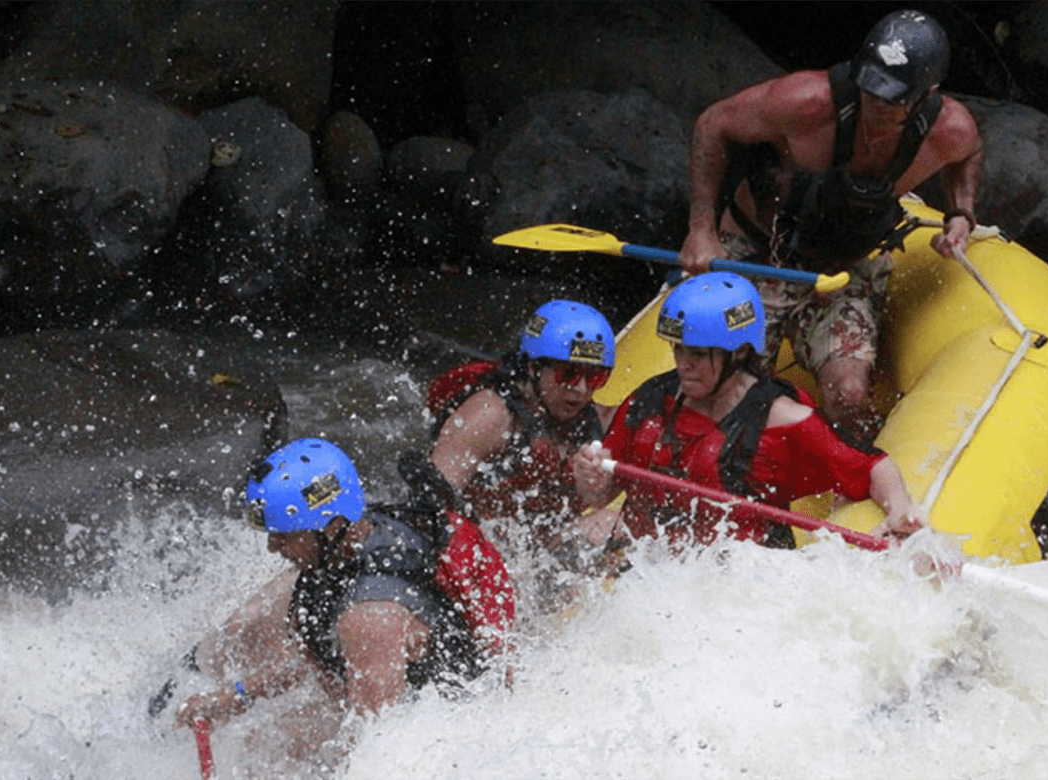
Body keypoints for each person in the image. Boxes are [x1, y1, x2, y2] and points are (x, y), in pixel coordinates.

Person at [678, 9, 983, 440]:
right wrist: (701, 229)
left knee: (850, 395)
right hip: (759, 254)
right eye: (870, 90)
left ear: (925, 94)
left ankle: (851, 484)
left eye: (892, 98)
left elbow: (969, 154)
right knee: (721, 391)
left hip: (841, 269)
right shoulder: (805, 102)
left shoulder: (949, 128)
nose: (877, 104)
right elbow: (712, 125)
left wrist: (960, 211)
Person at [170, 438, 514, 761]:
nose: (272, 547)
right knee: (265, 743)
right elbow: (315, 654)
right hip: (394, 694)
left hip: (450, 731)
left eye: (285, 535)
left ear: (331, 527)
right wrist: (235, 698)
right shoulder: (353, 541)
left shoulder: (370, 616)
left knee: (278, 748)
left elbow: (379, 747)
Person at [572, 272, 923, 554]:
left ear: (738, 353)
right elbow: (599, 496)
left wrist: (899, 507)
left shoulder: (780, 418)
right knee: (578, 534)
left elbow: (871, 465)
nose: (684, 363)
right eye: (678, 349)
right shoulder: (650, 400)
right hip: (648, 564)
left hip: (735, 578)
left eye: (697, 352)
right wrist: (591, 480)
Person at [414, 299, 624, 606]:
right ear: (532, 366)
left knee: (613, 522)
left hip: (541, 560)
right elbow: (429, 507)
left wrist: (596, 487)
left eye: (595, 378)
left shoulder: (598, 423)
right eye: (568, 373)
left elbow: (606, 503)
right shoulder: (490, 416)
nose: (580, 389)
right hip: (482, 558)